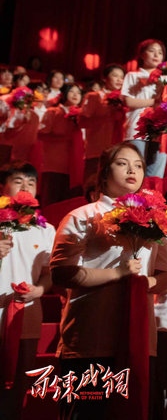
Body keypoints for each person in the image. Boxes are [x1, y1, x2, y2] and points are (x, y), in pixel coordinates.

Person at [49, 142, 167, 419]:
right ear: (104, 174)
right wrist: (119, 274)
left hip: (140, 338)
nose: (132, 169)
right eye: (122, 163)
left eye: (139, 165)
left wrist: (143, 284)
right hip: (90, 339)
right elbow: (61, 273)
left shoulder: (157, 220)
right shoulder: (82, 216)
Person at [0, 161, 55, 419]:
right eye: (18, 181)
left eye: (31, 183)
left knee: (18, 388)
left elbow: (48, 273)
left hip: (27, 316)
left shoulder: (45, 229)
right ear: (3, 187)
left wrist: (40, 290)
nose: (25, 187)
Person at [122, 39, 167, 180]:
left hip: (159, 129)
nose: (156, 55)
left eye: (160, 52)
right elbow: (128, 100)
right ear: (142, 54)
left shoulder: (166, 78)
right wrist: (154, 102)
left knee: (155, 172)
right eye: (151, 51)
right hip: (137, 127)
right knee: (135, 167)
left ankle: (152, 200)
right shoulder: (133, 76)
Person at [79, 64, 126, 182]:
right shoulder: (94, 96)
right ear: (104, 78)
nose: (119, 79)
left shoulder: (125, 99)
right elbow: (82, 122)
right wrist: (106, 116)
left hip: (118, 150)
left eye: (122, 77)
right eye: (115, 76)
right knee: (92, 183)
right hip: (96, 150)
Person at [38, 83, 84, 205]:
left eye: (79, 93)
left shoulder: (82, 114)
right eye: (72, 92)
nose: (76, 95)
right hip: (54, 165)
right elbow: (41, 135)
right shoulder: (53, 112)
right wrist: (63, 138)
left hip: (75, 165)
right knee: (51, 200)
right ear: (63, 94)